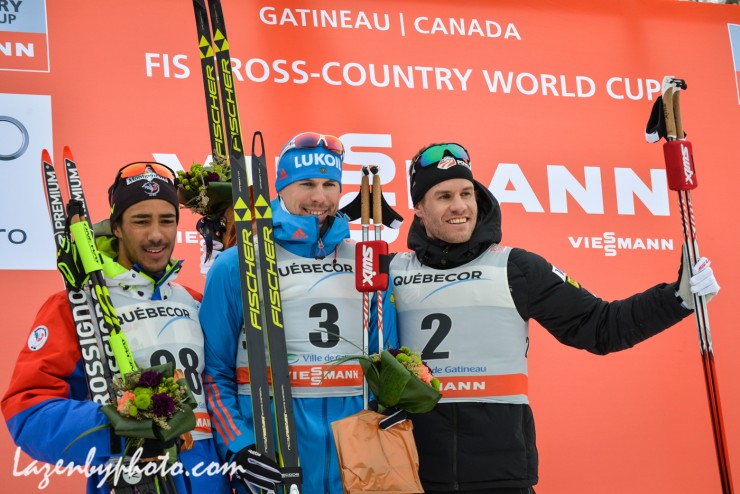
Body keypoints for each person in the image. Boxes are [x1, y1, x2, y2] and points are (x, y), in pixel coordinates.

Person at [388, 143, 720, 493]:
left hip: (502, 476)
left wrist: (678, 299)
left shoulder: (516, 267)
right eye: (443, 196)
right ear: (420, 209)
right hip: (412, 474)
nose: (460, 206)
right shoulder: (389, 272)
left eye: (466, 193)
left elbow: (600, 326)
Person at [2, 162, 231, 493]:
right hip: (134, 481)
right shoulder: (78, 306)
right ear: (118, 227)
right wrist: (116, 426)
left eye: (167, 221)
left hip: (211, 478)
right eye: (141, 221)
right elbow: (27, 412)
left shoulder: (196, 301)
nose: (156, 234)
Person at [200, 132, 399, 493]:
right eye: (306, 183)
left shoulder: (366, 259)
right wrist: (238, 445)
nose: (319, 197)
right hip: (273, 450)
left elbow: (388, 355)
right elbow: (214, 373)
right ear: (281, 186)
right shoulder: (236, 263)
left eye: (329, 184)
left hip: (354, 456)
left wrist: (397, 402)